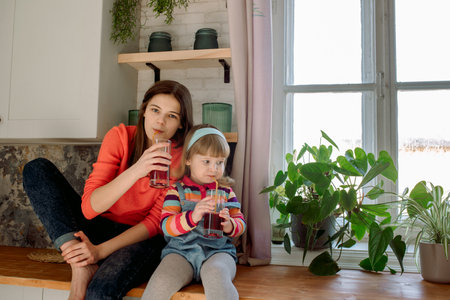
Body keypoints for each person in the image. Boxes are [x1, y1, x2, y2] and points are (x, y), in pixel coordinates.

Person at [22, 80, 193, 300]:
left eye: (172, 115)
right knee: (36, 169)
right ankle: (79, 265)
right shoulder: (120, 137)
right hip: (95, 226)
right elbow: (89, 209)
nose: (160, 121)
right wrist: (137, 170)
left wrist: (100, 251)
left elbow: (153, 224)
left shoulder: (183, 160)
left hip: (138, 239)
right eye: (155, 110)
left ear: (180, 123)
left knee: (99, 292)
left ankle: (87, 261)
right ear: (143, 112)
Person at [141, 124, 246, 300]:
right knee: (160, 282)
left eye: (219, 162)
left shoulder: (226, 192)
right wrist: (193, 216)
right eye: (207, 161)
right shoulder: (176, 190)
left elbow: (240, 223)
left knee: (216, 275)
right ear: (188, 159)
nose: (214, 169)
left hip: (218, 253)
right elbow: (166, 226)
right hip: (181, 252)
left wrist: (230, 225)